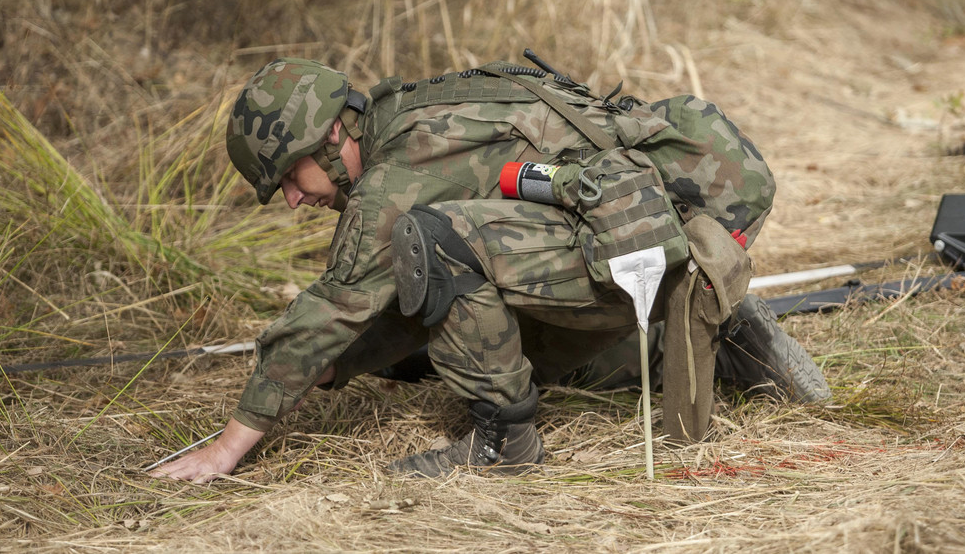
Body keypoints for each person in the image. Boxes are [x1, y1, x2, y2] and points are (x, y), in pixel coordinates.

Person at [149, 56, 828, 483]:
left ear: (330, 137)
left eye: (288, 177)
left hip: (619, 249)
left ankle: (506, 444)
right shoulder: (413, 116)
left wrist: (226, 449)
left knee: (431, 245)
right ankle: (701, 333)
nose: (294, 199)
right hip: (632, 244)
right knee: (429, 330)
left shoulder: (396, 172)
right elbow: (373, 310)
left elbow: (334, 305)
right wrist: (344, 363)